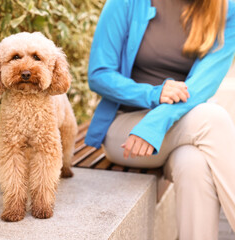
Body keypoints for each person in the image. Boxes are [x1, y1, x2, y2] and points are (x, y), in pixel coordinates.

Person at [85, 0, 235, 239]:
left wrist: (157, 121)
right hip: (127, 130)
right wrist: (153, 94)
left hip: (179, 126)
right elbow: (99, 75)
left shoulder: (226, 10)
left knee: (193, 163)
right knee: (214, 118)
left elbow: (202, 85)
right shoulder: (125, 3)